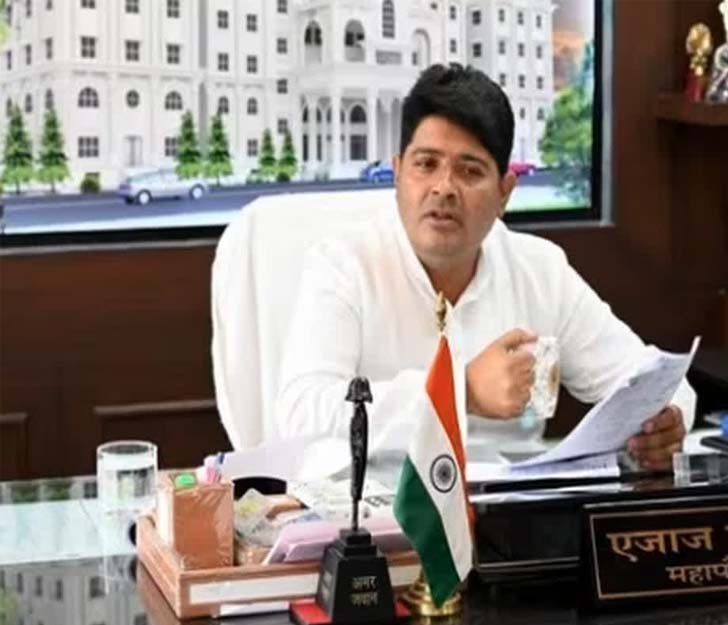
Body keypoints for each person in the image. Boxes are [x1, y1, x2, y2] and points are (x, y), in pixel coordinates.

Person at [276, 64, 695, 470]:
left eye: (469, 171)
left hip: (511, 506)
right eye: (426, 164)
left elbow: (654, 379)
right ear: (398, 173)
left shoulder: (539, 270)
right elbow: (301, 414)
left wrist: (666, 422)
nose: (443, 188)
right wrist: (462, 392)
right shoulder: (343, 266)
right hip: (377, 507)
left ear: (504, 193)